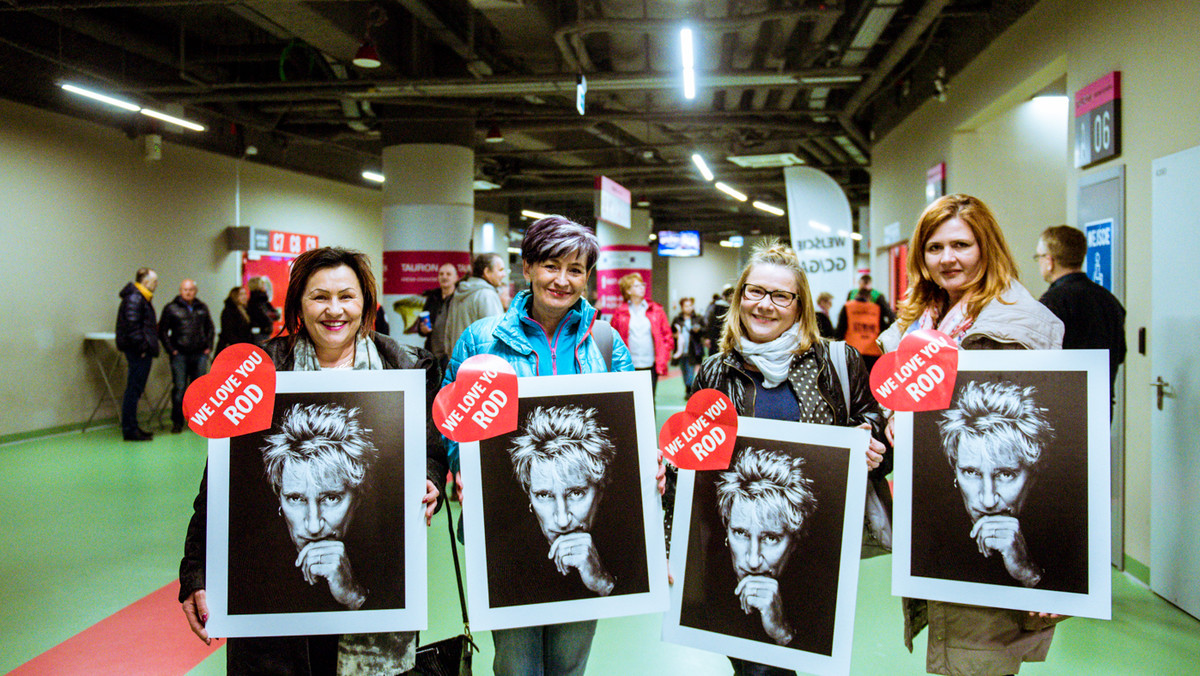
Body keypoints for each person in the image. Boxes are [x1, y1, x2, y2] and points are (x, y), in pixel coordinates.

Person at [179, 247, 446, 675]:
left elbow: (431, 451)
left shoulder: (405, 367)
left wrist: (431, 478)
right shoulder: (261, 371)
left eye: (347, 296)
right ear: (299, 304)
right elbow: (219, 483)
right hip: (274, 620)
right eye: (319, 297)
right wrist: (196, 571)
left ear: (367, 302)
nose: (334, 309)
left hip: (377, 595)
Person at [444, 215, 661, 676]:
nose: (562, 280)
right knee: (518, 665)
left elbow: (627, 428)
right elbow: (449, 421)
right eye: (550, 265)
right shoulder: (481, 342)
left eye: (576, 269)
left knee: (568, 662)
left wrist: (648, 461)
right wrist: (460, 463)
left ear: (588, 277)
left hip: (585, 526)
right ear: (527, 268)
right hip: (505, 527)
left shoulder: (605, 343)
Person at [878, 193, 1065, 676]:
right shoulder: (917, 326)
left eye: (961, 244)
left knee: (975, 660)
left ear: (987, 247)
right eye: (934, 247)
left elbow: (1057, 451)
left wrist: (1053, 573)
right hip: (940, 522)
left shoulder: (1020, 328)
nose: (948, 259)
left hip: (998, 530)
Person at [690, 241, 889, 676]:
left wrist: (871, 443)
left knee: (794, 655)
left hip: (813, 550)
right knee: (753, 666)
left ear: (800, 306)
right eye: (755, 292)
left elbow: (873, 422)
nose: (765, 305)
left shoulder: (836, 362)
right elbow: (693, 467)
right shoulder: (713, 372)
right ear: (740, 296)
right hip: (739, 551)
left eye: (781, 296)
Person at [232, 402, 399, 613]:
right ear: (279, 498)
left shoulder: (391, 559)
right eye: (296, 499)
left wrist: (354, 597)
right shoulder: (246, 570)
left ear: (357, 499)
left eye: (331, 498)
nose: (313, 526)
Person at [920, 380, 1080, 590]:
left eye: (1006, 474)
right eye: (971, 472)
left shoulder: (1066, 529)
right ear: (955, 470)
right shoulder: (928, 526)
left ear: (1033, 476)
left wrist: (1028, 572)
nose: (988, 500)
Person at [504, 405, 619, 598]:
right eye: (544, 495)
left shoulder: (630, 545)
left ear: (600, 492)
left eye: (576, 493)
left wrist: (602, 582)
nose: (562, 520)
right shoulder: (503, 559)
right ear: (529, 497)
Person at [716, 447, 817, 647]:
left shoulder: (819, 600)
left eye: (771, 538)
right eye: (741, 533)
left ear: (794, 543)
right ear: (726, 530)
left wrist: (782, 632)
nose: (753, 561)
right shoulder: (705, 588)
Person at [1035, 225, 1126, 409]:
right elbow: (1120, 354)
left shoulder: (1052, 302)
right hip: (1101, 403)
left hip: (1064, 405)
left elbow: (1040, 359)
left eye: (1038, 257)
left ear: (1049, 261)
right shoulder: (1109, 300)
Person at [158, 279, 215, 434]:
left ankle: (198, 421)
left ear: (195, 291)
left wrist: (209, 346)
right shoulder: (171, 308)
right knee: (180, 388)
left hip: (199, 354)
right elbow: (162, 331)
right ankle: (177, 422)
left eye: (190, 289)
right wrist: (171, 350)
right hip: (180, 355)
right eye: (184, 289)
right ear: (180, 290)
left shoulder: (202, 308)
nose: (188, 292)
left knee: (199, 390)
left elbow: (210, 328)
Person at [115, 267, 160, 442]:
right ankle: (130, 429)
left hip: (139, 350)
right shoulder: (135, 298)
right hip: (138, 351)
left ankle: (132, 426)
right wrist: (142, 347)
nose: (156, 285)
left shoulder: (140, 298)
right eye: (155, 281)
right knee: (133, 390)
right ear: (146, 282)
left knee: (135, 389)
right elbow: (132, 327)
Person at [611, 272, 673, 395]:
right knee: (630, 400)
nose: (642, 287)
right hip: (628, 365)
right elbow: (612, 339)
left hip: (650, 364)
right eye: (637, 285)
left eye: (642, 285)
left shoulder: (656, 310)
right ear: (628, 291)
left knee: (649, 399)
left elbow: (667, 336)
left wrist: (663, 355)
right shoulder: (620, 313)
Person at [441, 253, 506, 358]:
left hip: (458, 364)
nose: (504, 274)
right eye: (500, 270)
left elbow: (448, 333)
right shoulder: (487, 295)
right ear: (487, 272)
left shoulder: (458, 294)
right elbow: (496, 337)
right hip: (482, 368)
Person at [835, 274, 895, 370]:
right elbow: (889, 317)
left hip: (852, 348)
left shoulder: (849, 302)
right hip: (872, 349)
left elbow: (841, 328)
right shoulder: (878, 299)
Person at [421, 262, 460, 363]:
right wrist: (422, 329)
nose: (444, 277)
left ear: (456, 278)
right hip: (432, 353)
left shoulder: (459, 300)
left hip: (452, 354)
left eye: (448, 274)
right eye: (441, 274)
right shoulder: (432, 298)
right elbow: (422, 323)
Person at [670, 296, 707, 392]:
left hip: (693, 350)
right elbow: (671, 331)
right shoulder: (677, 319)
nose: (689, 308)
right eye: (686, 306)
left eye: (690, 305)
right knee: (683, 370)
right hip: (681, 350)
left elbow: (705, 330)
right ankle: (688, 386)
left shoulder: (698, 318)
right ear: (682, 307)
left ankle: (689, 388)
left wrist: (699, 329)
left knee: (690, 370)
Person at [214, 286, 253, 355]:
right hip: (233, 347)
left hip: (242, 346)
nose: (244, 297)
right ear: (235, 296)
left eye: (245, 294)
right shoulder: (229, 311)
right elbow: (229, 332)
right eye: (241, 294)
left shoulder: (244, 310)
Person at [246, 275, 280, 346]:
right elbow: (264, 317)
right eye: (263, 284)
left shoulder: (263, 301)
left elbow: (277, 314)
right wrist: (270, 316)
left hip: (263, 334)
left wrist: (269, 315)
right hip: (260, 334)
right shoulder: (256, 302)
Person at [704, 285, 733, 356]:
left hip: (722, 338)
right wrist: (708, 337)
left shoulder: (716, 306)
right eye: (730, 296)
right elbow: (711, 323)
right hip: (717, 338)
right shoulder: (718, 307)